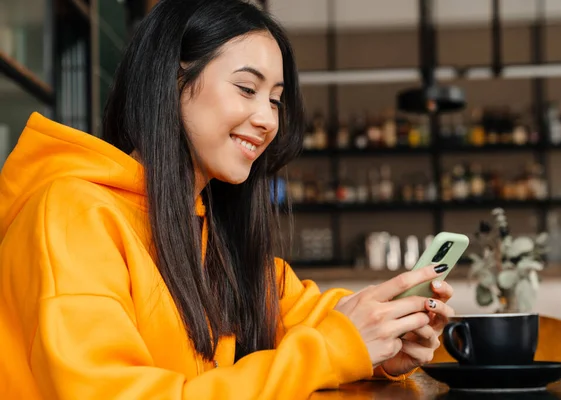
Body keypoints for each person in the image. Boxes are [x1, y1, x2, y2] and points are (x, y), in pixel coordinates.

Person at [0, 0, 455, 398]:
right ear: (173, 79)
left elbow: (312, 317)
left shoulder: (212, 232)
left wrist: (384, 345)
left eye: (276, 100)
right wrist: (339, 346)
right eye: (246, 88)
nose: (267, 120)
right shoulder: (71, 216)